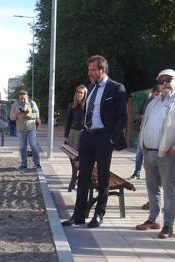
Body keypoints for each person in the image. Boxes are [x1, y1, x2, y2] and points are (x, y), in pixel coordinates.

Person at [62, 55, 127, 229]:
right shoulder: (91, 87)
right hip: (88, 137)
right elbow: (86, 111)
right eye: (89, 70)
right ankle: (78, 216)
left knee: (103, 178)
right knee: (83, 178)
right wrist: (84, 130)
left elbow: (122, 117)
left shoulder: (116, 89)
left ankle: (99, 214)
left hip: (104, 138)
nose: (89, 73)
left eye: (93, 70)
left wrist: (112, 139)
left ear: (103, 70)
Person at [135, 69, 175, 238]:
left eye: (168, 80)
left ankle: (168, 225)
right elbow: (144, 124)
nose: (164, 84)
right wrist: (143, 144)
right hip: (149, 152)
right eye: (161, 81)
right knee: (152, 188)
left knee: (170, 191)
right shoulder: (154, 102)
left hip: (169, 154)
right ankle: (153, 219)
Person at [129, 84, 161, 180]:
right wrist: (142, 116)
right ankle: (137, 172)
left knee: (153, 154)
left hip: (156, 133)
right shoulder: (146, 101)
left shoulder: (163, 103)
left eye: (159, 92)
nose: (158, 94)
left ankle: (153, 174)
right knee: (140, 153)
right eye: (157, 92)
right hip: (143, 130)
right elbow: (137, 114)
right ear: (154, 92)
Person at [9, 90, 41, 169]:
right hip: (21, 129)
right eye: (20, 99)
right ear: (18, 98)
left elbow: (37, 114)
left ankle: (37, 163)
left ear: (27, 97)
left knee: (34, 146)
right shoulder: (14, 105)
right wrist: (16, 115)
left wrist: (28, 115)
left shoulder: (32, 103)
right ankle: (24, 164)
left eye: (24, 99)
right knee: (22, 147)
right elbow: (11, 117)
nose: (22, 100)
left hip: (31, 128)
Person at [64, 84, 88, 150]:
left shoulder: (87, 106)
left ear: (85, 94)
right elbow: (68, 121)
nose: (79, 94)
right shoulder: (71, 105)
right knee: (71, 154)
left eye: (81, 92)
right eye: (78, 92)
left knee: (81, 154)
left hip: (84, 133)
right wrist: (66, 136)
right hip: (73, 132)